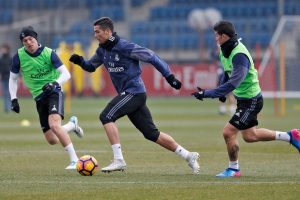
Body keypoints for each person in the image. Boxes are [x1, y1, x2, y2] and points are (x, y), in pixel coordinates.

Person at [69, 17, 200, 174]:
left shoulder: (124, 46)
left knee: (106, 116)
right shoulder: (102, 50)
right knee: (152, 134)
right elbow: (91, 67)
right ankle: (188, 155)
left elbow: (151, 56)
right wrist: (80, 61)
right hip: (130, 95)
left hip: (134, 92)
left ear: (107, 31)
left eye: (97, 32)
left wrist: (169, 76)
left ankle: (119, 160)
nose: (95, 35)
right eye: (94, 32)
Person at [191, 20, 300, 178]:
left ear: (224, 36)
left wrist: (207, 93)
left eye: (217, 35)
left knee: (228, 132)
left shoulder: (240, 55)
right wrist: (221, 95)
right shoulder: (224, 50)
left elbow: (234, 82)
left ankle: (234, 169)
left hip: (252, 101)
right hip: (244, 100)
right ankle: (290, 136)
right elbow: (227, 73)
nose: (215, 38)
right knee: (250, 136)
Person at [9, 26, 84, 169]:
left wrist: (54, 83)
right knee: (52, 139)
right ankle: (72, 125)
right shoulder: (18, 56)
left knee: (55, 125)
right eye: (25, 40)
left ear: (36, 38)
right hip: (38, 97)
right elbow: (12, 79)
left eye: (30, 39)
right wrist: (14, 99)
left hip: (54, 92)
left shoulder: (49, 53)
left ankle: (75, 160)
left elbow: (66, 74)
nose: (29, 42)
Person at [0, 44, 12, 113]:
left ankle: (10, 107)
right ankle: (6, 108)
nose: (2, 50)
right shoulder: (1, 59)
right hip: (3, 78)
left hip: (10, 78)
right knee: (5, 93)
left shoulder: (10, 58)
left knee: (10, 93)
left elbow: (13, 68)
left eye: (3, 49)